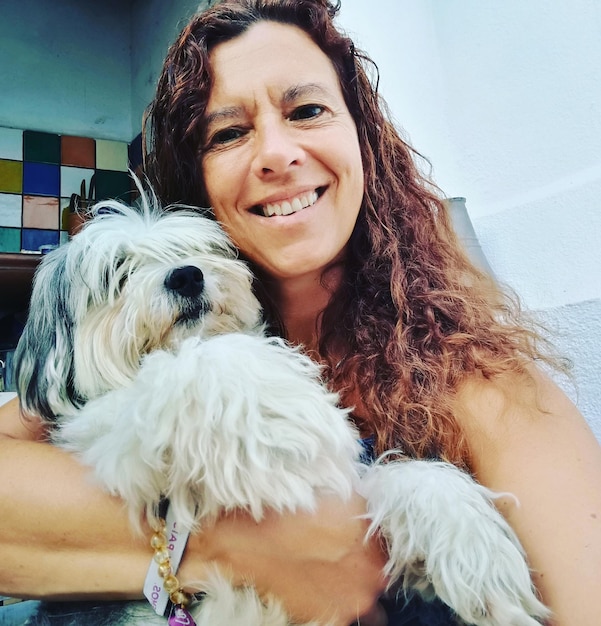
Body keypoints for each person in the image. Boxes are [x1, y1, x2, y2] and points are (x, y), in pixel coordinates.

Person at [1, 0, 600, 624]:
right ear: (197, 180)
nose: (276, 153)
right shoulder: (126, 364)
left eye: (306, 110)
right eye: (228, 133)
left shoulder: (479, 381)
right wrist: (228, 546)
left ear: (361, 140)